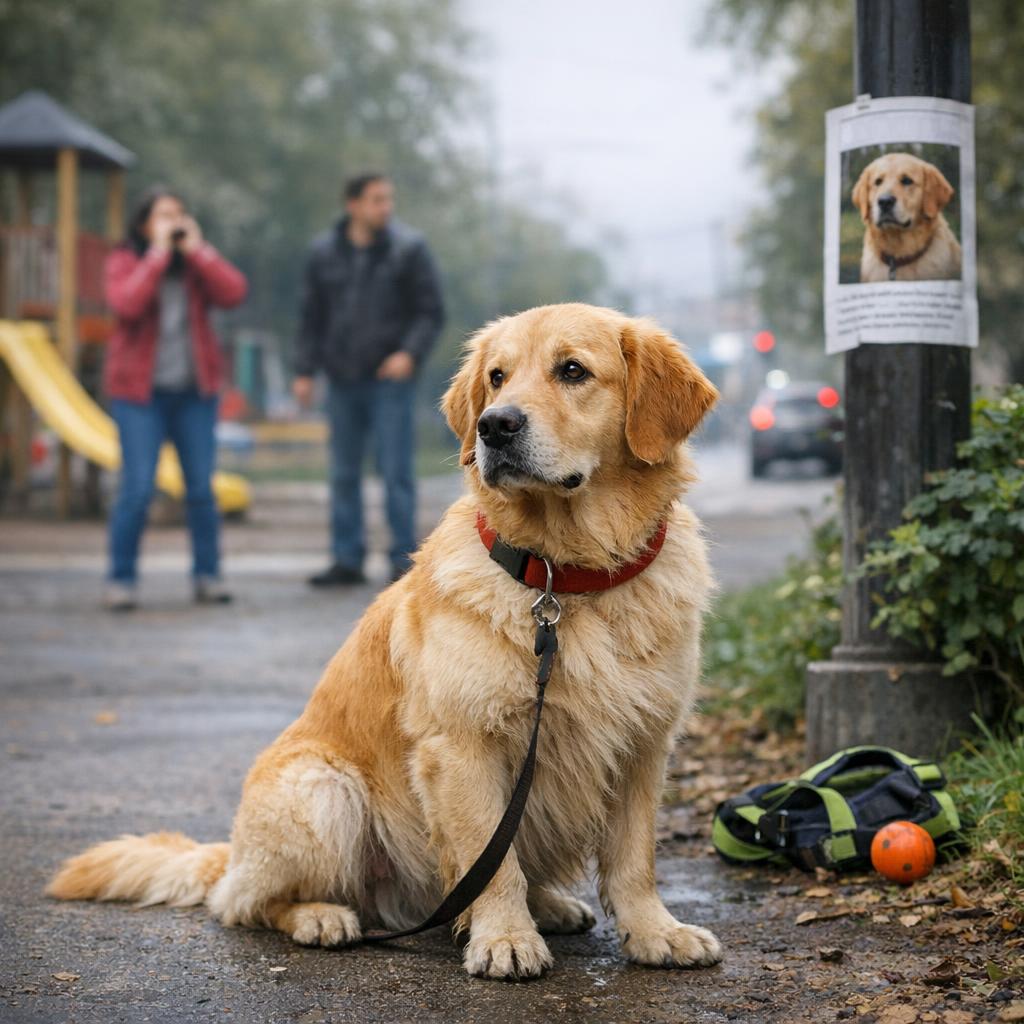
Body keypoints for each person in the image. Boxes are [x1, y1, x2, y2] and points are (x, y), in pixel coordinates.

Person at [293, 173, 445, 586]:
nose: (386, 207)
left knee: (395, 471)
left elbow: (430, 312)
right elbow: (311, 317)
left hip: (389, 379)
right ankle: (346, 558)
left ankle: (402, 559)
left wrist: (408, 354)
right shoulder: (324, 254)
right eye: (377, 200)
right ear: (353, 205)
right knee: (343, 473)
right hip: (341, 378)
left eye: (388, 199)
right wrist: (304, 370)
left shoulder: (409, 250)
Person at [103, 186, 248, 610]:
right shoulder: (125, 260)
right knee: (137, 488)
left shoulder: (195, 267)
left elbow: (235, 292)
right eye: (164, 215)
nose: (174, 222)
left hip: (193, 395)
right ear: (144, 224)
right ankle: (121, 579)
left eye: (180, 214)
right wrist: (155, 256)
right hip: (138, 395)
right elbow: (126, 305)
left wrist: (200, 250)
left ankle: (208, 576)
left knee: (201, 489)